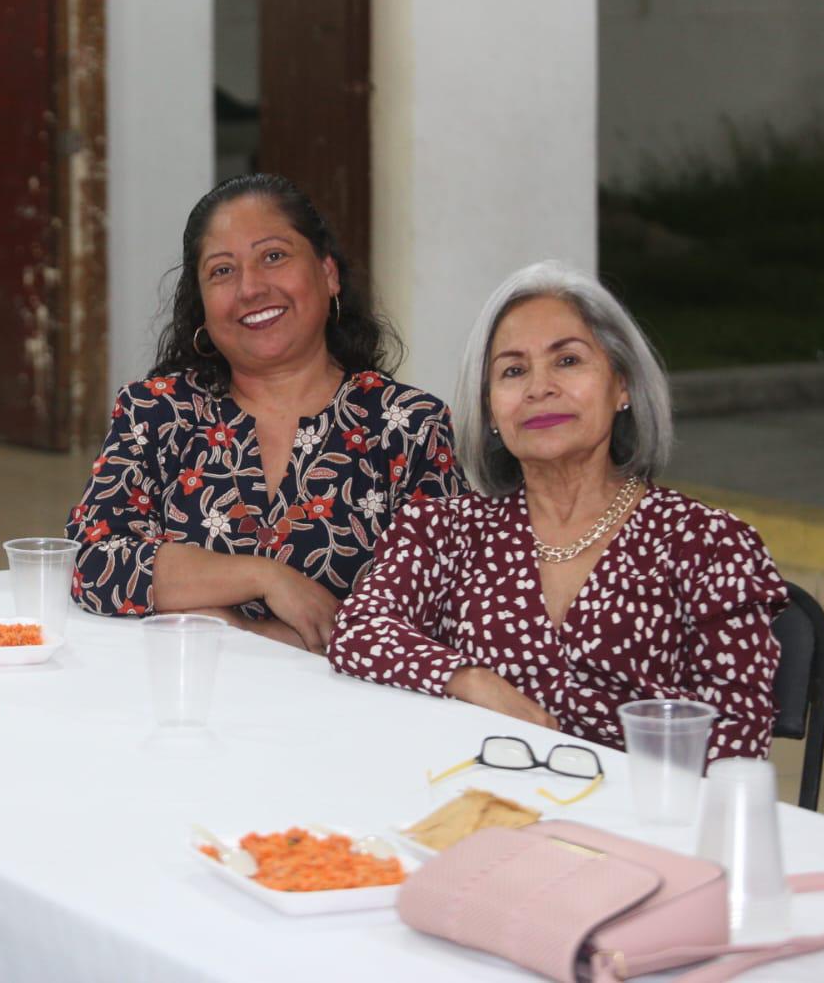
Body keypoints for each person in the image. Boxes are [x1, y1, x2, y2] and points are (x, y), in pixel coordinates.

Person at [328, 261, 786, 762]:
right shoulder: (446, 529)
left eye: (567, 361)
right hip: (480, 805)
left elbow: (736, 743)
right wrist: (468, 679)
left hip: (642, 822)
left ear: (622, 385)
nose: (539, 388)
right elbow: (359, 631)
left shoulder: (708, 545)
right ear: (491, 409)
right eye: (513, 370)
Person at [67, 173, 462, 651]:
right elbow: (94, 564)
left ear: (329, 273)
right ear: (202, 306)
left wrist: (245, 630)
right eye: (222, 271)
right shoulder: (156, 412)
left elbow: (434, 612)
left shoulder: (407, 426)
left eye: (273, 256)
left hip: (345, 715)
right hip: (181, 694)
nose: (250, 288)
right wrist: (264, 577)